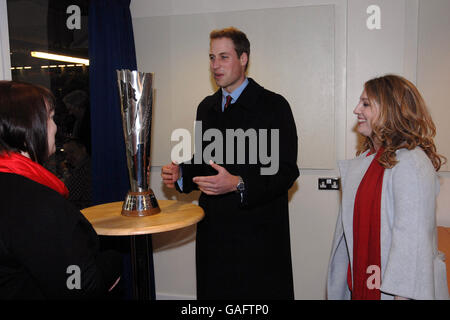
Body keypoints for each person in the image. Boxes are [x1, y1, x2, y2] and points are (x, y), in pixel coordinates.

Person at [161, 27, 299, 299]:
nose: (215, 65)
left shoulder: (273, 105)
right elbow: (206, 163)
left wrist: (239, 183)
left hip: (259, 237)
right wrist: (182, 174)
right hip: (215, 232)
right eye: (212, 58)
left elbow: (286, 171)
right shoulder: (207, 107)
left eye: (224, 57)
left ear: (244, 58)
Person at [327, 74, 449, 300]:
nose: (356, 110)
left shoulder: (412, 162)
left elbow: (411, 246)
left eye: (365, 104)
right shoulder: (367, 160)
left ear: (389, 110)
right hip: (363, 287)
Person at [0, 81, 122, 299]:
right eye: (49, 118)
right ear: (28, 128)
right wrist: (112, 263)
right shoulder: (35, 202)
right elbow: (80, 285)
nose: (55, 127)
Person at [63, 138, 92, 210]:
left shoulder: (84, 169)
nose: (68, 157)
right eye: (66, 154)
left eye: (72, 152)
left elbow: (69, 197)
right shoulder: (78, 168)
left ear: (83, 150)